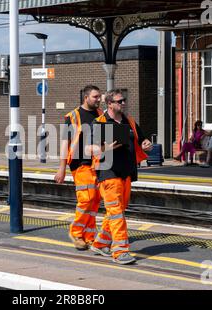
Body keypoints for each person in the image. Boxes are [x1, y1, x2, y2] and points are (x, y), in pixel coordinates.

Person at [85, 89, 153, 265]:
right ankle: (120, 251)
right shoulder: (98, 122)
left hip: (126, 173)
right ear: (109, 104)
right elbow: (88, 149)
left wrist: (147, 145)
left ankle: (100, 243)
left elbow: (143, 141)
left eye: (124, 100)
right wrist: (104, 149)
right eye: (119, 101)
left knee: (117, 212)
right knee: (116, 212)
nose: (123, 103)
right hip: (108, 173)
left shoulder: (129, 122)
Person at [54, 85, 103, 251]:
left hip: (97, 164)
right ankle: (75, 232)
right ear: (86, 97)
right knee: (86, 199)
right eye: (95, 97)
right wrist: (61, 168)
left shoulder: (100, 114)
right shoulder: (73, 116)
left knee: (95, 200)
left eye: (99, 97)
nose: (98, 99)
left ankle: (89, 235)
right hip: (80, 164)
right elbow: (64, 143)